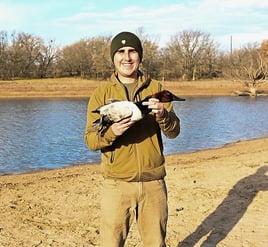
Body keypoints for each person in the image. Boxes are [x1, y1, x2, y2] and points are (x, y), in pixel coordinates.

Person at [84, 31, 181, 247]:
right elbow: (91, 140)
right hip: (116, 184)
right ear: (113, 57)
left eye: (132, 51)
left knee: (156, 244)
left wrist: (163, 116)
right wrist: (113, 132)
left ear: (139, 56)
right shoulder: (101, 93)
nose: (126, 57)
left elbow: (174, 132)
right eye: (121, 52)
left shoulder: (156, 89)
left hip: (153, 183)